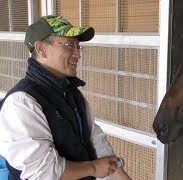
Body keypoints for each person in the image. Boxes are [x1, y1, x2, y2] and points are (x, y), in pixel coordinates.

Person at [0, 15, 131, 180]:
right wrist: (92, 168)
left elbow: (96, 142)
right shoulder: (22, 103)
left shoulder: (72, 94)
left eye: (78, 47)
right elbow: (42, 172)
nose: (77, 54)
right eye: (69, 45)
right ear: (41, 49)